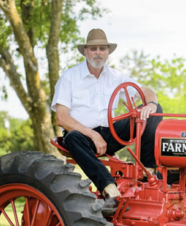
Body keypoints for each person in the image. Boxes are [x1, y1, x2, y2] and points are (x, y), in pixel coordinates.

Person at [51, 29, 163, 215]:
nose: (98, 52)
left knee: (155, 112)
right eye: (93, 48)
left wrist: (150, 104)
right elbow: (61, 118)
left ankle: (147, 174)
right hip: (83, 137)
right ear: (85, 52)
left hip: (110, 133)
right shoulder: (70, 77)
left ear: (108, 52)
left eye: (102, 48)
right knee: (73, 138)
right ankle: (110, 191)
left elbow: (147, 92)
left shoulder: (116, 77)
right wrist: (93, 135)